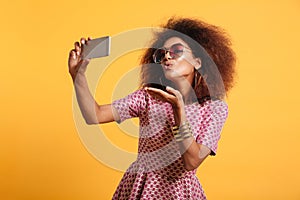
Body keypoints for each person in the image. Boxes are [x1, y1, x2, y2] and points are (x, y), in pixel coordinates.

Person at [68, 17, 236, 200]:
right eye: (161, 54)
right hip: (141, 186)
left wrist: (179, 110)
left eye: (176, 51)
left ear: (198, 61)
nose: (166, 57)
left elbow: (191, 161)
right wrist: (78, 76)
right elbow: (95, 115)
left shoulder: (214, 109)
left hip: (180, 192)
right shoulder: (148, 98)